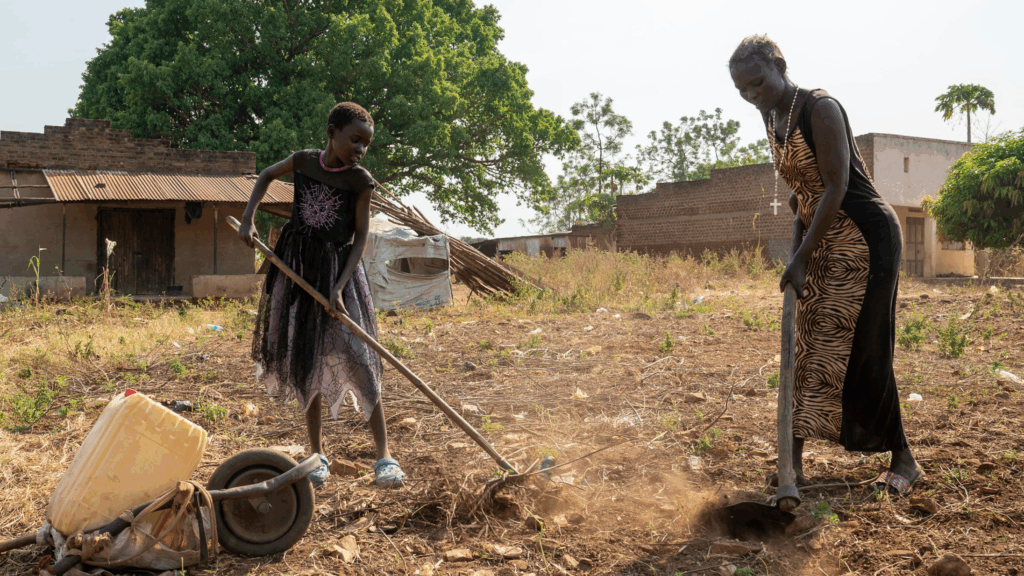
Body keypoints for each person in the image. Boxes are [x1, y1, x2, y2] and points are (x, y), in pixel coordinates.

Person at [728, 35, 923, 497]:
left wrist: (798, 257)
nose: (752, 95)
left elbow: (836, 187)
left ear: (780, 65)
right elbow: (805, 185)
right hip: (823, 236)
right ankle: (791, 464)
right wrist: (802, 217)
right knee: (808, 345)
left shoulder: (820, 107)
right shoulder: (771, 113)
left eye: (757, 83)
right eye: (742, 90)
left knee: (864, 347)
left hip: (864, 237)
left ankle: (904, 460)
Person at [237, 102, 405, 489]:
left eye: (366, 144)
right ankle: (317, 456)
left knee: (360, 357)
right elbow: (264, 175)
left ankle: (384, 456)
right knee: (306, 357)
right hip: (296, 268)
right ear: (332, 131)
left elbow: (360, 237)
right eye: (354, 139)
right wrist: (248, 218)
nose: (360, 149)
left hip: (338, 273)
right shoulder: (303, 162)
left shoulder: (360, 181)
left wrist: (340, 287)